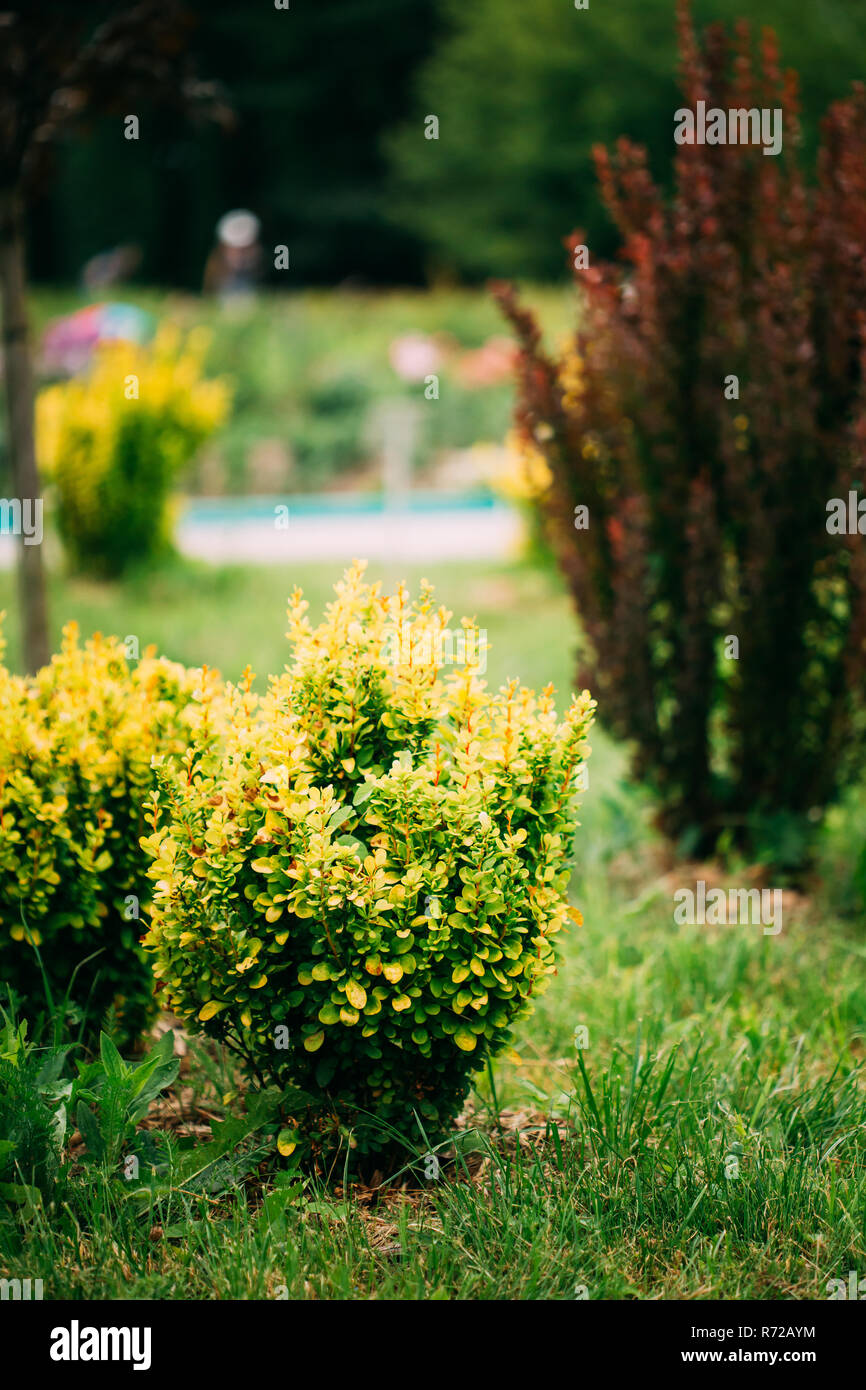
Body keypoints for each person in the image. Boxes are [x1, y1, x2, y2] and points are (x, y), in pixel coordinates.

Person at [202, 209, 263, 304]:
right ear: (222, 250)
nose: (240, 256)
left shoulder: (269, 277)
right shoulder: (216, 281)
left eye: (245, 250)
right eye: (234, 250)